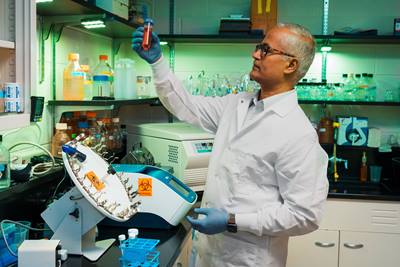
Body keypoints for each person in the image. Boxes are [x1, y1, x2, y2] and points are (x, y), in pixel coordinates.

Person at [132, 23, 329, 267]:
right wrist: (158, 61)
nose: (255, 54)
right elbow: (186, 106)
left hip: (248, 259)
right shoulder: (237, 105)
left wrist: (231, 221)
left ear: (291, 65)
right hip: (208, 253)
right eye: (259, 47)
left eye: (266, 50)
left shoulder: (297, 133)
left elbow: (305, 216)